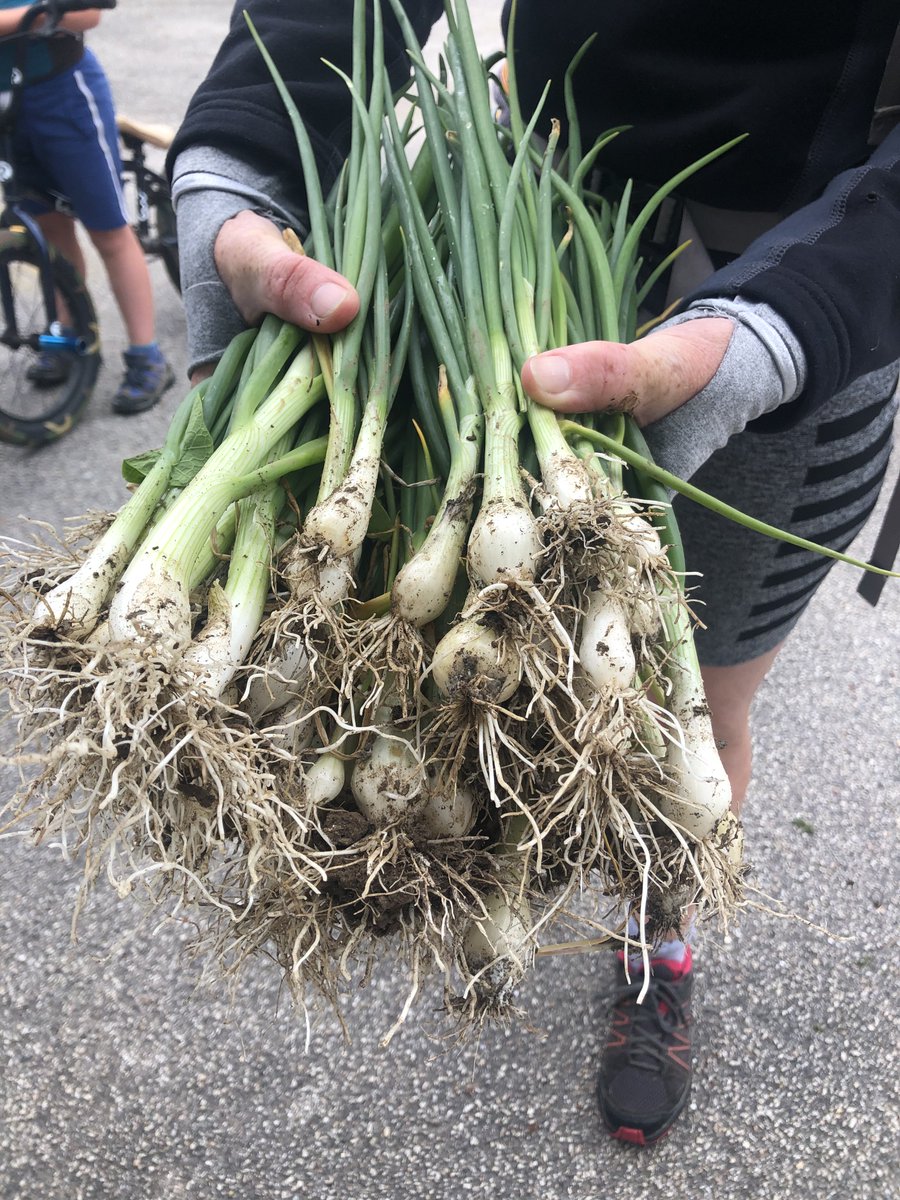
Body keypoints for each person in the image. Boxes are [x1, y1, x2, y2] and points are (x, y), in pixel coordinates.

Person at [165, 0, 900, 1146]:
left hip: (807, 301)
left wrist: (779, 329)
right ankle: (475, 857)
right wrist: (242, 153)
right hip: (538, 224)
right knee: (425, 630)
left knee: (692, 691)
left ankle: (657, 945)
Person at [0, 1, 174, 413]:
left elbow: (88, 13)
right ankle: (68, 337)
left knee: (110, 231)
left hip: (64, 94)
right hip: (10, 106)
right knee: (50, 230)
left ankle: (146, 355)